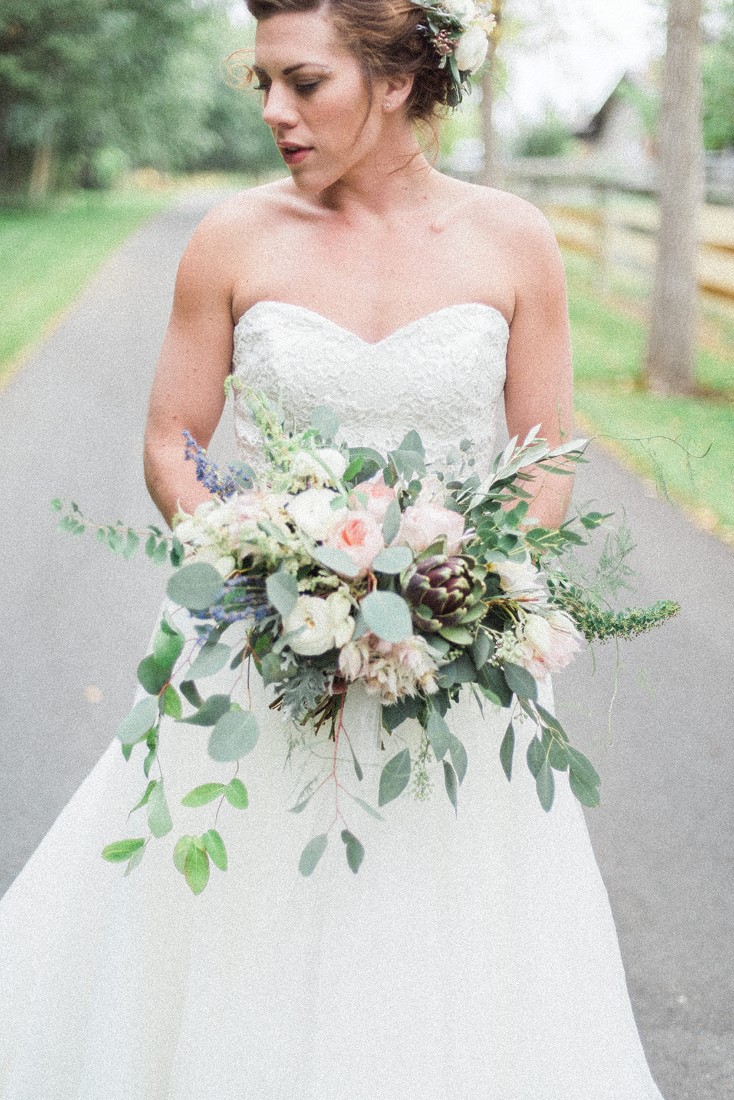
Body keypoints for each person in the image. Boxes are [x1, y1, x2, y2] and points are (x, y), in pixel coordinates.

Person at [0, 2, 666, 1097]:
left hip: (455, 673)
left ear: (398, 78)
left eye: (302, 83)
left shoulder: (513, 241)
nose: (273, 111)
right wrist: (267, 559)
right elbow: (173, 438)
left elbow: (545, 456)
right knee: (236, 922)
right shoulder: (232, 238)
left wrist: (469, 590)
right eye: (262, 82)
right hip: (259, 656)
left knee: (443, 945)